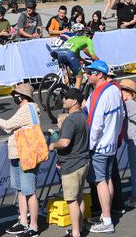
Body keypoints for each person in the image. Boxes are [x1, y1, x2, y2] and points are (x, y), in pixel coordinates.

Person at [0, 84, 40, 237]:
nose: (14, 96)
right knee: (21, 190)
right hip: (18, 154)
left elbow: (7, 125)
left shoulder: (28, 108)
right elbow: (7, 129)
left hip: (26, 154)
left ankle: (33, 227)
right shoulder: (25, 109)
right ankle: (23, 222)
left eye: (16, 94)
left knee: (29, 191)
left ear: (23, 96)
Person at [83, 60, 124, 232]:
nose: (87, 74)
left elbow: (95, 124)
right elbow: (121, 116)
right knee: (107, 179)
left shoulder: (98, 93)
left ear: (99, 74)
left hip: (99, 145)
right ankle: (106, 216)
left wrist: (88, 146)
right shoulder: (115, 88)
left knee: (100, 181)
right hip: (111, 144)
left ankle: (106, 220)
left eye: (90, 72)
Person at [48, 87, 90, 237]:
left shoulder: (71, 119)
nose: (64, 100)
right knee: (79, 198)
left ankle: (76, 233)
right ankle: (80, 227)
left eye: (67, 98)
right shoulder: (83, 116)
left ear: (75, 102)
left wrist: (53, 145)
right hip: (83, 161)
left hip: (72, 165)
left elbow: (64, 143)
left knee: (72, 200)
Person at [119, 79, 136, 208]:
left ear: (128, 92)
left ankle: (135, 197)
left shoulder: (127, 105)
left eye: (122, 91)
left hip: (134, 140)